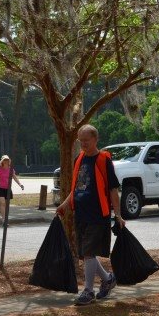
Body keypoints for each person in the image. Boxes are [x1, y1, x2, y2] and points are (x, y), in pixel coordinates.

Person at [56, 124, 125, 305]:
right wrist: (64, 205)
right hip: (81, 214)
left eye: (86, 140)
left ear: (95, 140)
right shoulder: (78, 159)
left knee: (88, 253)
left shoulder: (103, 161)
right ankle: (108, 279)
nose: (83, 144)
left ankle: (88, 291)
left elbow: (112, 190)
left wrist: (117, 214)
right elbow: (76, 188)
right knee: (86, 254)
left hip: (98, 215)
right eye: (81, 141)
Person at [0, 155, 24, 223]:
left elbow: (15, 178)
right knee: (2, 203)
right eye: (4, 160)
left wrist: (20, 184)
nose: (6, 161)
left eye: (7, 160)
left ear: (9, 161)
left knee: (6, 205)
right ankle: (4, 219)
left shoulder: (11, 169)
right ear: (2, 161)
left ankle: (5, 218)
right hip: (0, 188)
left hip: (8, 189)